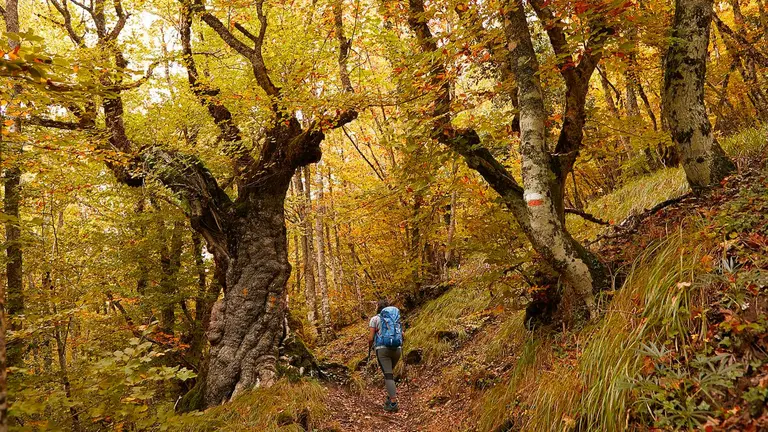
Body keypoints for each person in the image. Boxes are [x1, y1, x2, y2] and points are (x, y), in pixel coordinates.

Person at [368, 299, 404, 412]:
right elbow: (402, 334)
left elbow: (370, 338)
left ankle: (393, 403)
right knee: (389, 375)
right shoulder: (394, 319)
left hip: (383, 350)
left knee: (388, 375)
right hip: (397, 349)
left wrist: (370, 347)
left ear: (378, 307)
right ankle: (390, 397)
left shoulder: (374, 319)